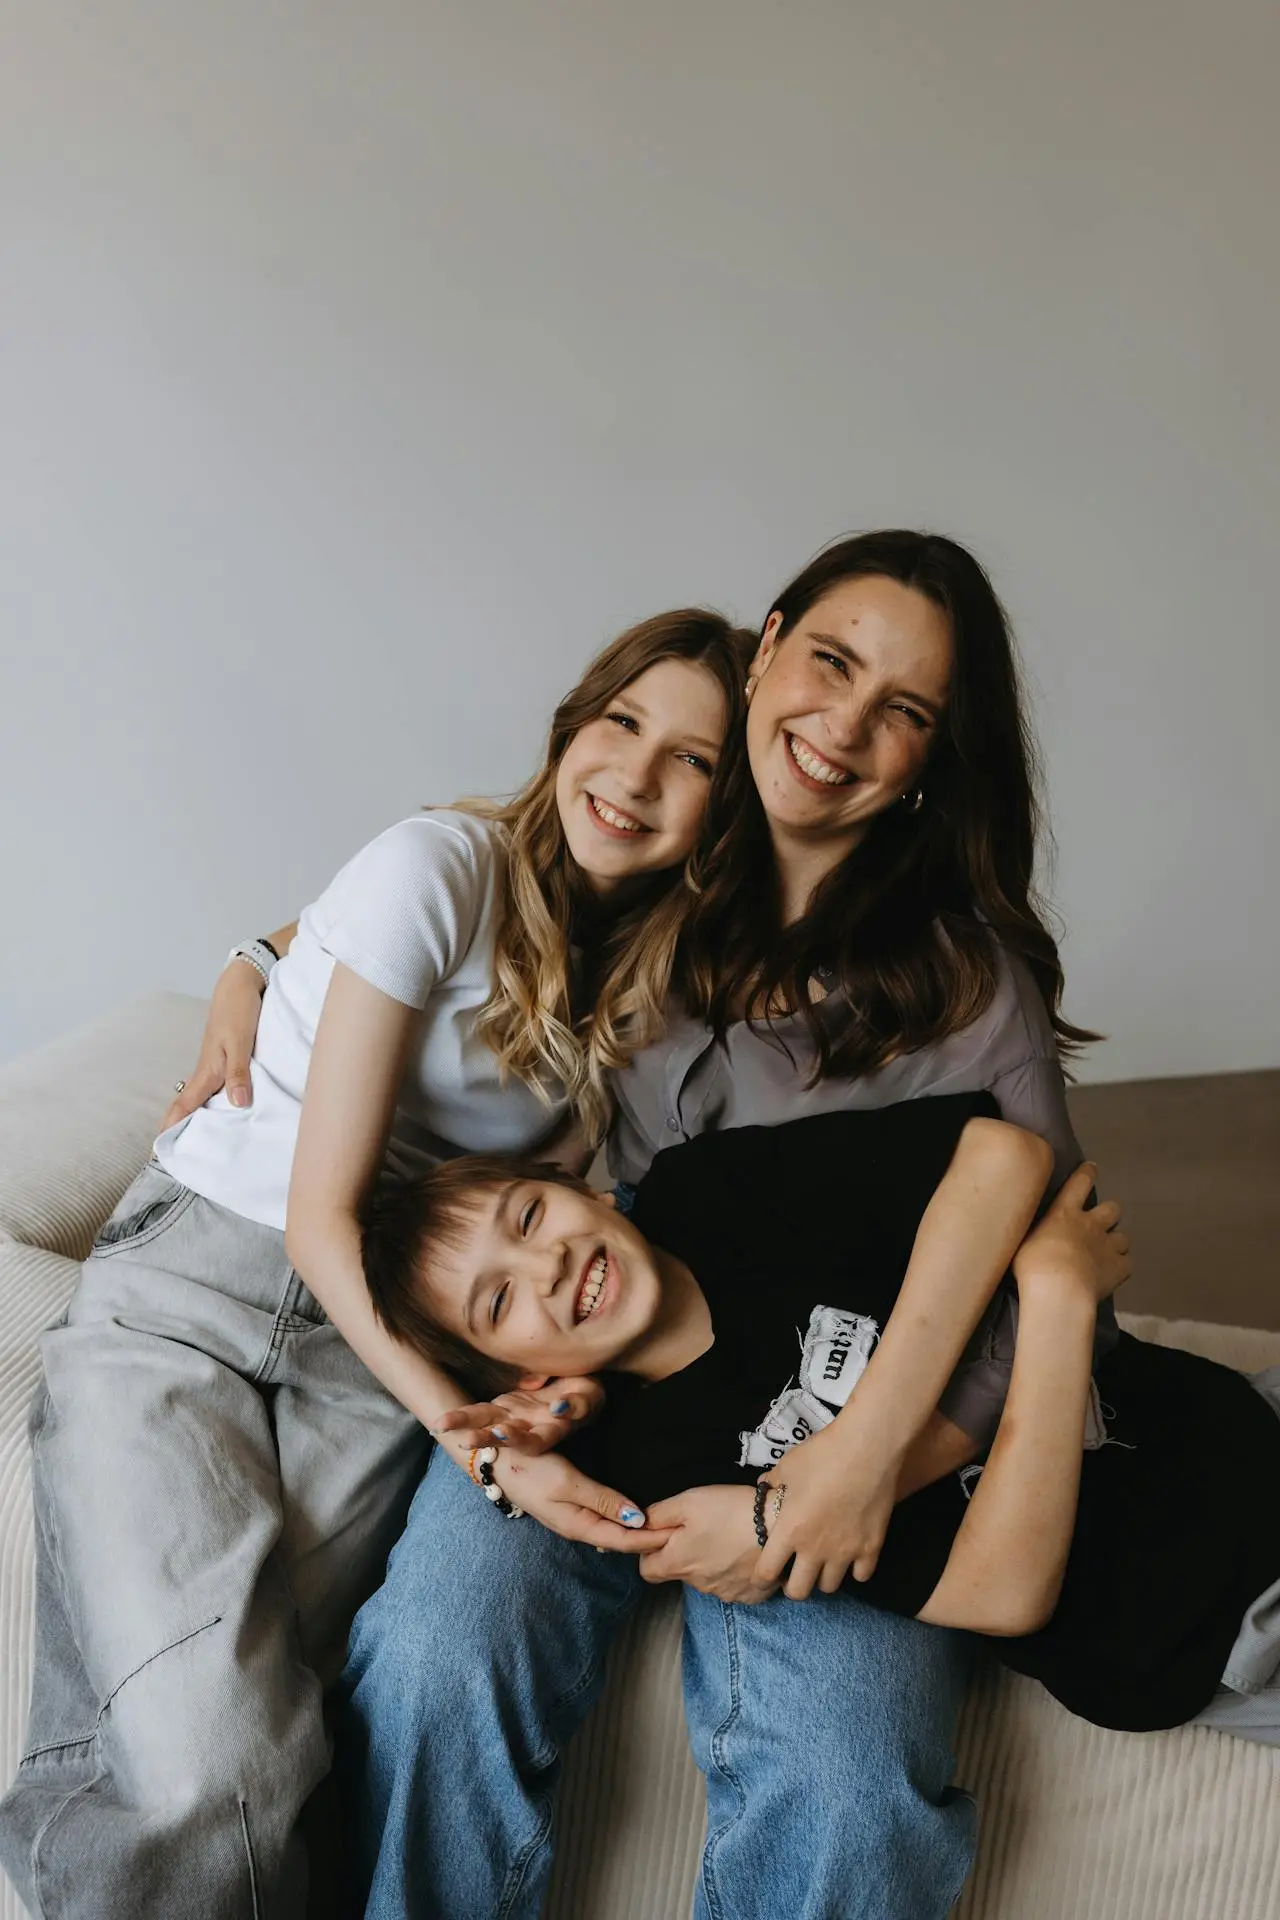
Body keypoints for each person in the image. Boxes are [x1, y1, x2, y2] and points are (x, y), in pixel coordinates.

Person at [183, 532, 1112, 1919]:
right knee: (434, 1652)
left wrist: (844, 1478)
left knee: (854, 1775)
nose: (845, 728)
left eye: (906, 711)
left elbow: (1037, 1258)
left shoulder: (961, 983)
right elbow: (421, 902)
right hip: (589, 1387)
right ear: (767, 651)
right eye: (830, 664)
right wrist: (249, 970)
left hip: (839, 1423)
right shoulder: (649, 865)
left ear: (933, 757)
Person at [0, 609, 750, 1920]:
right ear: (574, 725)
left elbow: (543, 1218)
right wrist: (470, 1437)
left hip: (370, 1346)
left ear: (724, 812)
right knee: (202, 1758)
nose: (636, 775)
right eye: (624, 723)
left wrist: (544, 1391)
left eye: (693, 760)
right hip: (202, 1289)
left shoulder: (640, 997)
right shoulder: (445, 859)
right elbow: (318, 1215)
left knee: (274, 1727)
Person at [357, 1099, 1280, 1748]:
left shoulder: (705, 1190)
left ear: (591, 1192)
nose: (547, 1266)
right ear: (522, 1376)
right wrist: (1054, 1303)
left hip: (1243, 1421)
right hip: (1205, 1625)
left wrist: (861, 1446)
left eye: (528, 1216)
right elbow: (1001, 1594)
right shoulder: (659, 1471)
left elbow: (1002, 1155)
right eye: (500, 1299)